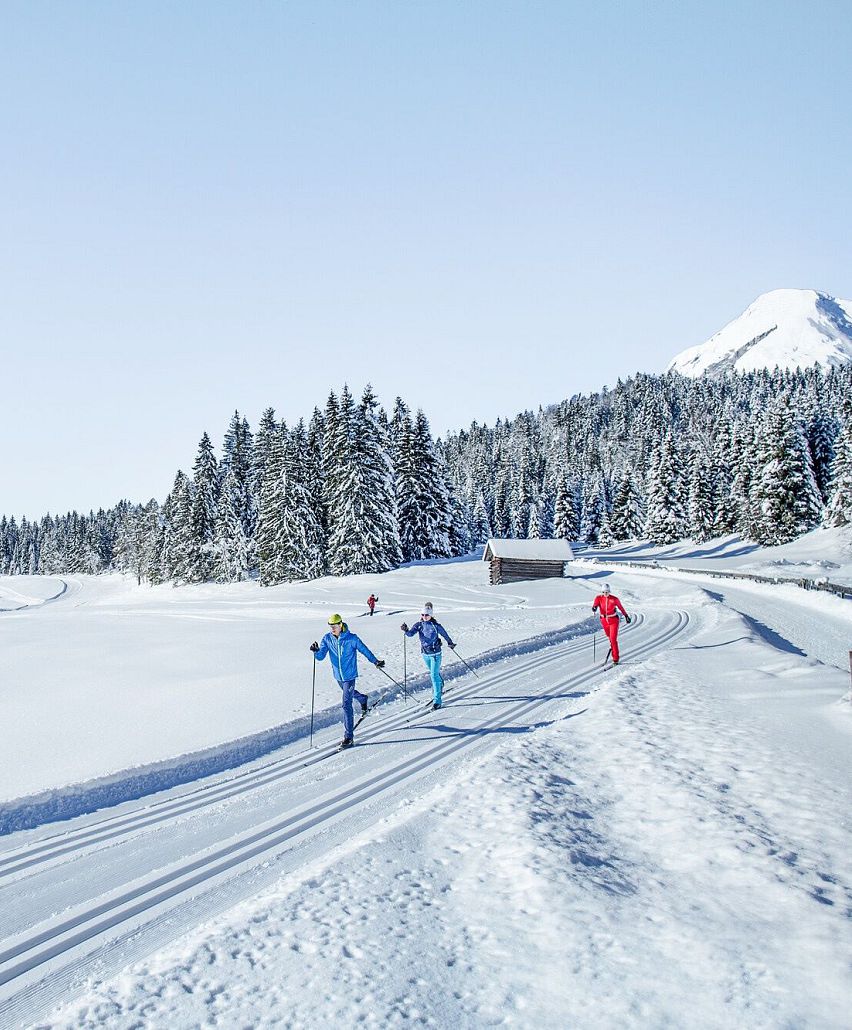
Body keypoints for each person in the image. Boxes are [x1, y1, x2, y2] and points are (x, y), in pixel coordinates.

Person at [311, 613, 385, 748]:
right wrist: (316, 651)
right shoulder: (327, 639)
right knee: (349, 694)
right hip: (338, 676)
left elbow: (365, 650)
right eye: (330, 626)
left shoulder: (352, 639)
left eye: (334, 626)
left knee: (346, 704)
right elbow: (321, 656)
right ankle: (362, 699)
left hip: (350, 676)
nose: (332, 629)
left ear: (340, 625)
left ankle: (348, 737)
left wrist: (376, 661)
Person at [401, 602, 456, 710]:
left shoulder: (436, 626)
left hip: (436, 654)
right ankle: (440, 683)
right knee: (434, 673)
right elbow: (410, 634)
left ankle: (437, 701)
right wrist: (406, 630)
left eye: (426, 615)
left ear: (431, 615)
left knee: (433, 675)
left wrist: (450, 643)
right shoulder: (419, 625)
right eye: (422, 615)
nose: (424, 617)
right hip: (425, 654)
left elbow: (445, 635)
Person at [591, 583, 631, 664]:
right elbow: (595, 605)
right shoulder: (598, 598)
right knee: (610, 638)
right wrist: (594, 608)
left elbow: (621, 608)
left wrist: (626, 616)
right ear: (602, 592)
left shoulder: (614, 599)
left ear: (609, 591)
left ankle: (615, 659)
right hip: (604, 620)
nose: (606, 593)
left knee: (613, 639)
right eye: (604, 592)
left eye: (607, 592)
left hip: (613, 621)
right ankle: (612, 647)